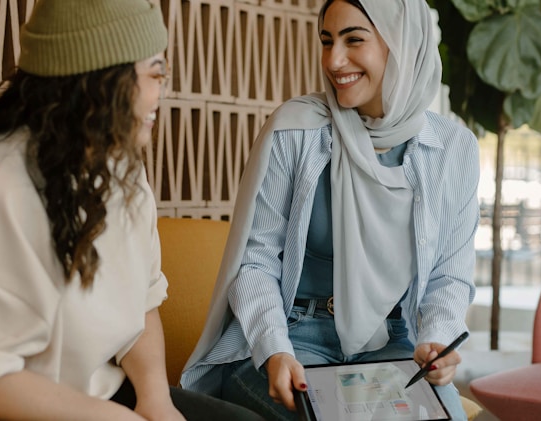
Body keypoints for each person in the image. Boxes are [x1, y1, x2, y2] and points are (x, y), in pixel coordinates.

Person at [0, 1, 265, 420]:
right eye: (155, 73)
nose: (161, 92)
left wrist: (155, 398)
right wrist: (116, 419)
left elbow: (142, 306)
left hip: (88, 396)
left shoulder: (121, 169)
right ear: (101, 80)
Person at [180, 0, 479, 420]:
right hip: (293, 335)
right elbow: (256, 260)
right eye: (326, 41)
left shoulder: (453, 149)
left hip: (391, 339)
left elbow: (450, 274)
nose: (334, 61)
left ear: (402, 43)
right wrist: (274, 351)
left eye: (354, 39)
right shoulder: (296, 129)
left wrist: (436, 341)